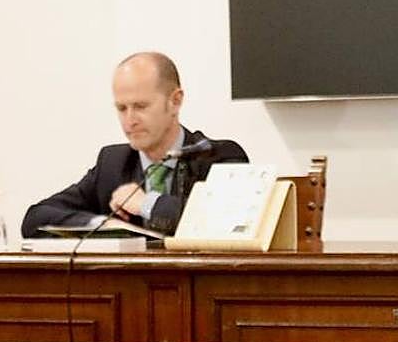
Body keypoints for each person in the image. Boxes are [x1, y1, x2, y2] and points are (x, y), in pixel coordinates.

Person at [22, 52, 249, 237]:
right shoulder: (112, 163)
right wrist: (102, 225)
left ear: (175, 101)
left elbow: (229, 223)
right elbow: (37, 217)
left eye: (140, 106)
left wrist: (147, 204)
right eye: (121, 108)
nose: (130, 120)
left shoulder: (218, 156)